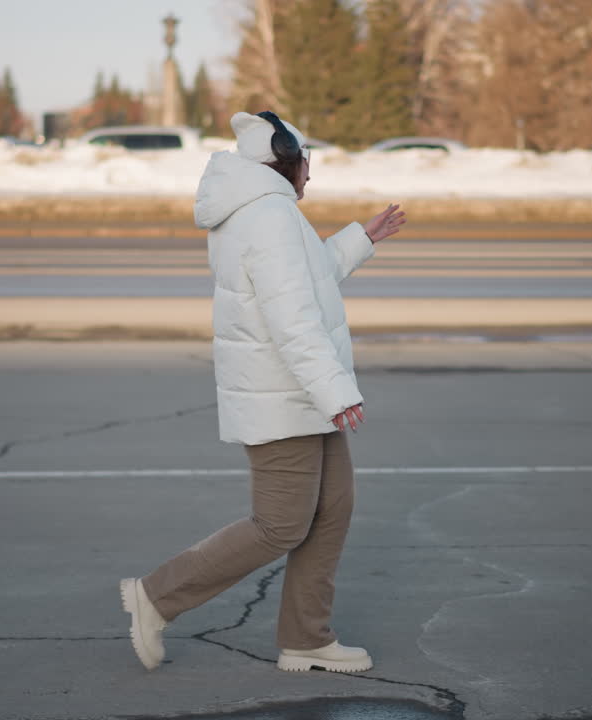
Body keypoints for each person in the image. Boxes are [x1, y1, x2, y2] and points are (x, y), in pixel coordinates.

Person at [119, 111, 406, 673]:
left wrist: (360, 239)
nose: (310, 177)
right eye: (307, 164)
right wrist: (334, 391)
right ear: (287, 159)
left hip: (295, 390)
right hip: (285, 393)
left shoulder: (262, 211)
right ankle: (156, 596)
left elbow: (305, 277)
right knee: (280, 524)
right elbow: (291, 315)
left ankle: (306, 637)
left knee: (332, 507)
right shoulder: (270, 215)